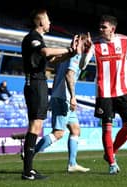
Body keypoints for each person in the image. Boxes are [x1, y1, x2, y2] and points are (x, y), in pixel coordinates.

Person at [83, 15, 127, 174]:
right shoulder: (95, 44)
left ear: (112, 29)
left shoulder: (126, 41)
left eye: (103, 27)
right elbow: (83, 65)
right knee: (107, 129)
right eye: (99, 26)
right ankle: (112, 164)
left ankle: (111, 152)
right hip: (103, 93)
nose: (100, 29)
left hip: (122, 91)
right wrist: (85, 51)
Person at [21, 8, 78, 180]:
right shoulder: (32, 37)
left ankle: (28, 169)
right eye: (47, 19)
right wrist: (68, 48)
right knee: (34, 126)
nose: (50, 22)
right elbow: (46, 53)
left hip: (40, 83)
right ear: (40, 22)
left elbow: (53, 60)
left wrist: (71, 53)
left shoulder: (39, 39)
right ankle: (28, 171)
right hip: (35, 83)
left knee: (36, 126)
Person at [33, 34, 90, 173]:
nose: (88, 45)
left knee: (75, 130)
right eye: (85, 43)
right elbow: (69, 75)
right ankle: (30, 153)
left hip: (61, 97)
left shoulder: (72, 54)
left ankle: (72, 163)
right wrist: (73, 97)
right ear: (79, 42)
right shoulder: (75, 56)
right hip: (64, 98)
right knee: (58, 133)